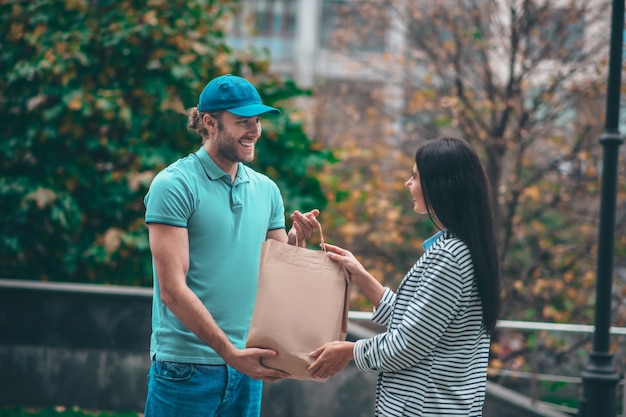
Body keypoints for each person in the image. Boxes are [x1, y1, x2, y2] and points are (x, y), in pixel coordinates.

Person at [143, 74, 320, 417]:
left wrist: (297, 239)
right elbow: (172, 291)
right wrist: (230, 353)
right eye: (242, 121)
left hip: (247, 364)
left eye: (257, 120)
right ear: (210, 123)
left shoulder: (267, 189)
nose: (255, 130)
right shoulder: (174, 185)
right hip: (186, 367)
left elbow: (275, 272)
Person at [307, 137, 501, 416]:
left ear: (440, 185)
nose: (408, 184)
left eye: (415, 176)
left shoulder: (450, 255)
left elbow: (408, 344)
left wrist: (349, 351)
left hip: (426, 407)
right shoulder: (464, 246)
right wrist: (360, 275)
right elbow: (417, 324)